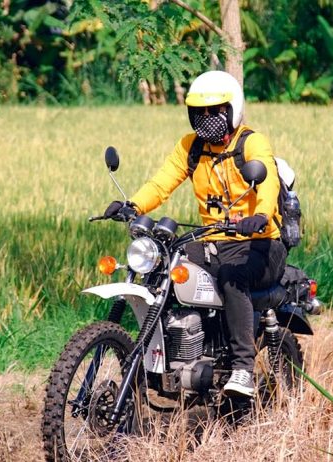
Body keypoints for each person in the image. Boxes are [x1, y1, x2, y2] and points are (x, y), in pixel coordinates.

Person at [104, 70, 287, 397]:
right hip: (213, 243)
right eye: (199, 112)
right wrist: (132, 204)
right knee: (162, 265)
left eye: (215, 111)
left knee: (232, 278)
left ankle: (243, 369)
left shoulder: (251, 142)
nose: (206, 118)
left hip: (260, 244)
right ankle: (175, 354)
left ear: (232, 109)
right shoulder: (190, 147)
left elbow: (269, 181)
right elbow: (162, 183)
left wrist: (259, 216)